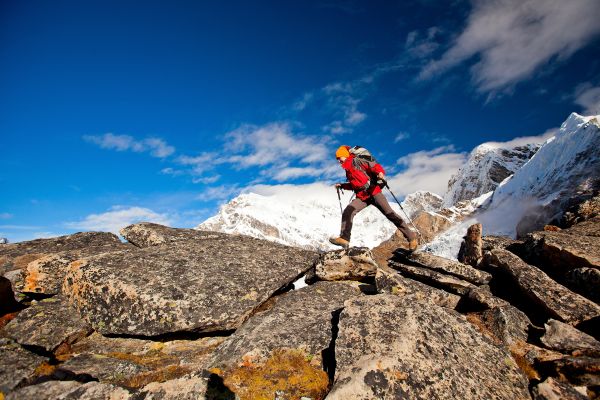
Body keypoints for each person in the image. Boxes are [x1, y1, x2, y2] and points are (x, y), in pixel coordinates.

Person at [329, 145, 418, 251]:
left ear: (345, 155)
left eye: (339, 158)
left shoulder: (357, 161)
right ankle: (344, 238)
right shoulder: (348, 170)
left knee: (390, 214)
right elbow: (355, 185)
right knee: (348, 211)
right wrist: (342, 185)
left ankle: (412, 238)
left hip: (374, 192)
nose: (338, 161)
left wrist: (380, 173)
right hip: (362, 197)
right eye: (337, 159)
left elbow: (374, 166)